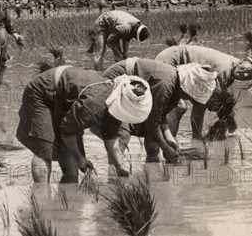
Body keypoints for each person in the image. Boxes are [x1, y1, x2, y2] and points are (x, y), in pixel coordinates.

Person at [16, 65, 154, 183]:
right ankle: (41, 197)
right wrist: (81, 158)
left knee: (71, 164)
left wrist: (120, 166)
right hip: (42, 93)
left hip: (65, 99)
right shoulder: (95, 103)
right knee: (45, 148)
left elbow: (111, 139)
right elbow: (67, 131)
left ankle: (67, 199)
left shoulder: (115, 103)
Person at [103, 58, 218, 164]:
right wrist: (165, 147)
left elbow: (160, 115)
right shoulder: (166, 85)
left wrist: (169, 139)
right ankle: (114, 173)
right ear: (188, 88)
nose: (189, 99)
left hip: (134, 89)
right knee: (122, 133)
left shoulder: (176, 88)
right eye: (191, 96)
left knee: (149, 136)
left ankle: (145, 167)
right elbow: (152, 123)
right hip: (116, 79)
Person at [155, 45, 252, 138]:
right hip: (170, 61)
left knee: (183, 104)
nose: (245, 75)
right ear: (243, 61)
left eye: (249, 76)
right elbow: (200, 104)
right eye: (247, 70)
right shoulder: (225, 70)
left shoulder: (232, 66)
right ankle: (168, 141)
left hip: (173, 61)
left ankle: (168, 139)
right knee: (179, 106)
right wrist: (197, 137)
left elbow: (217, 100)